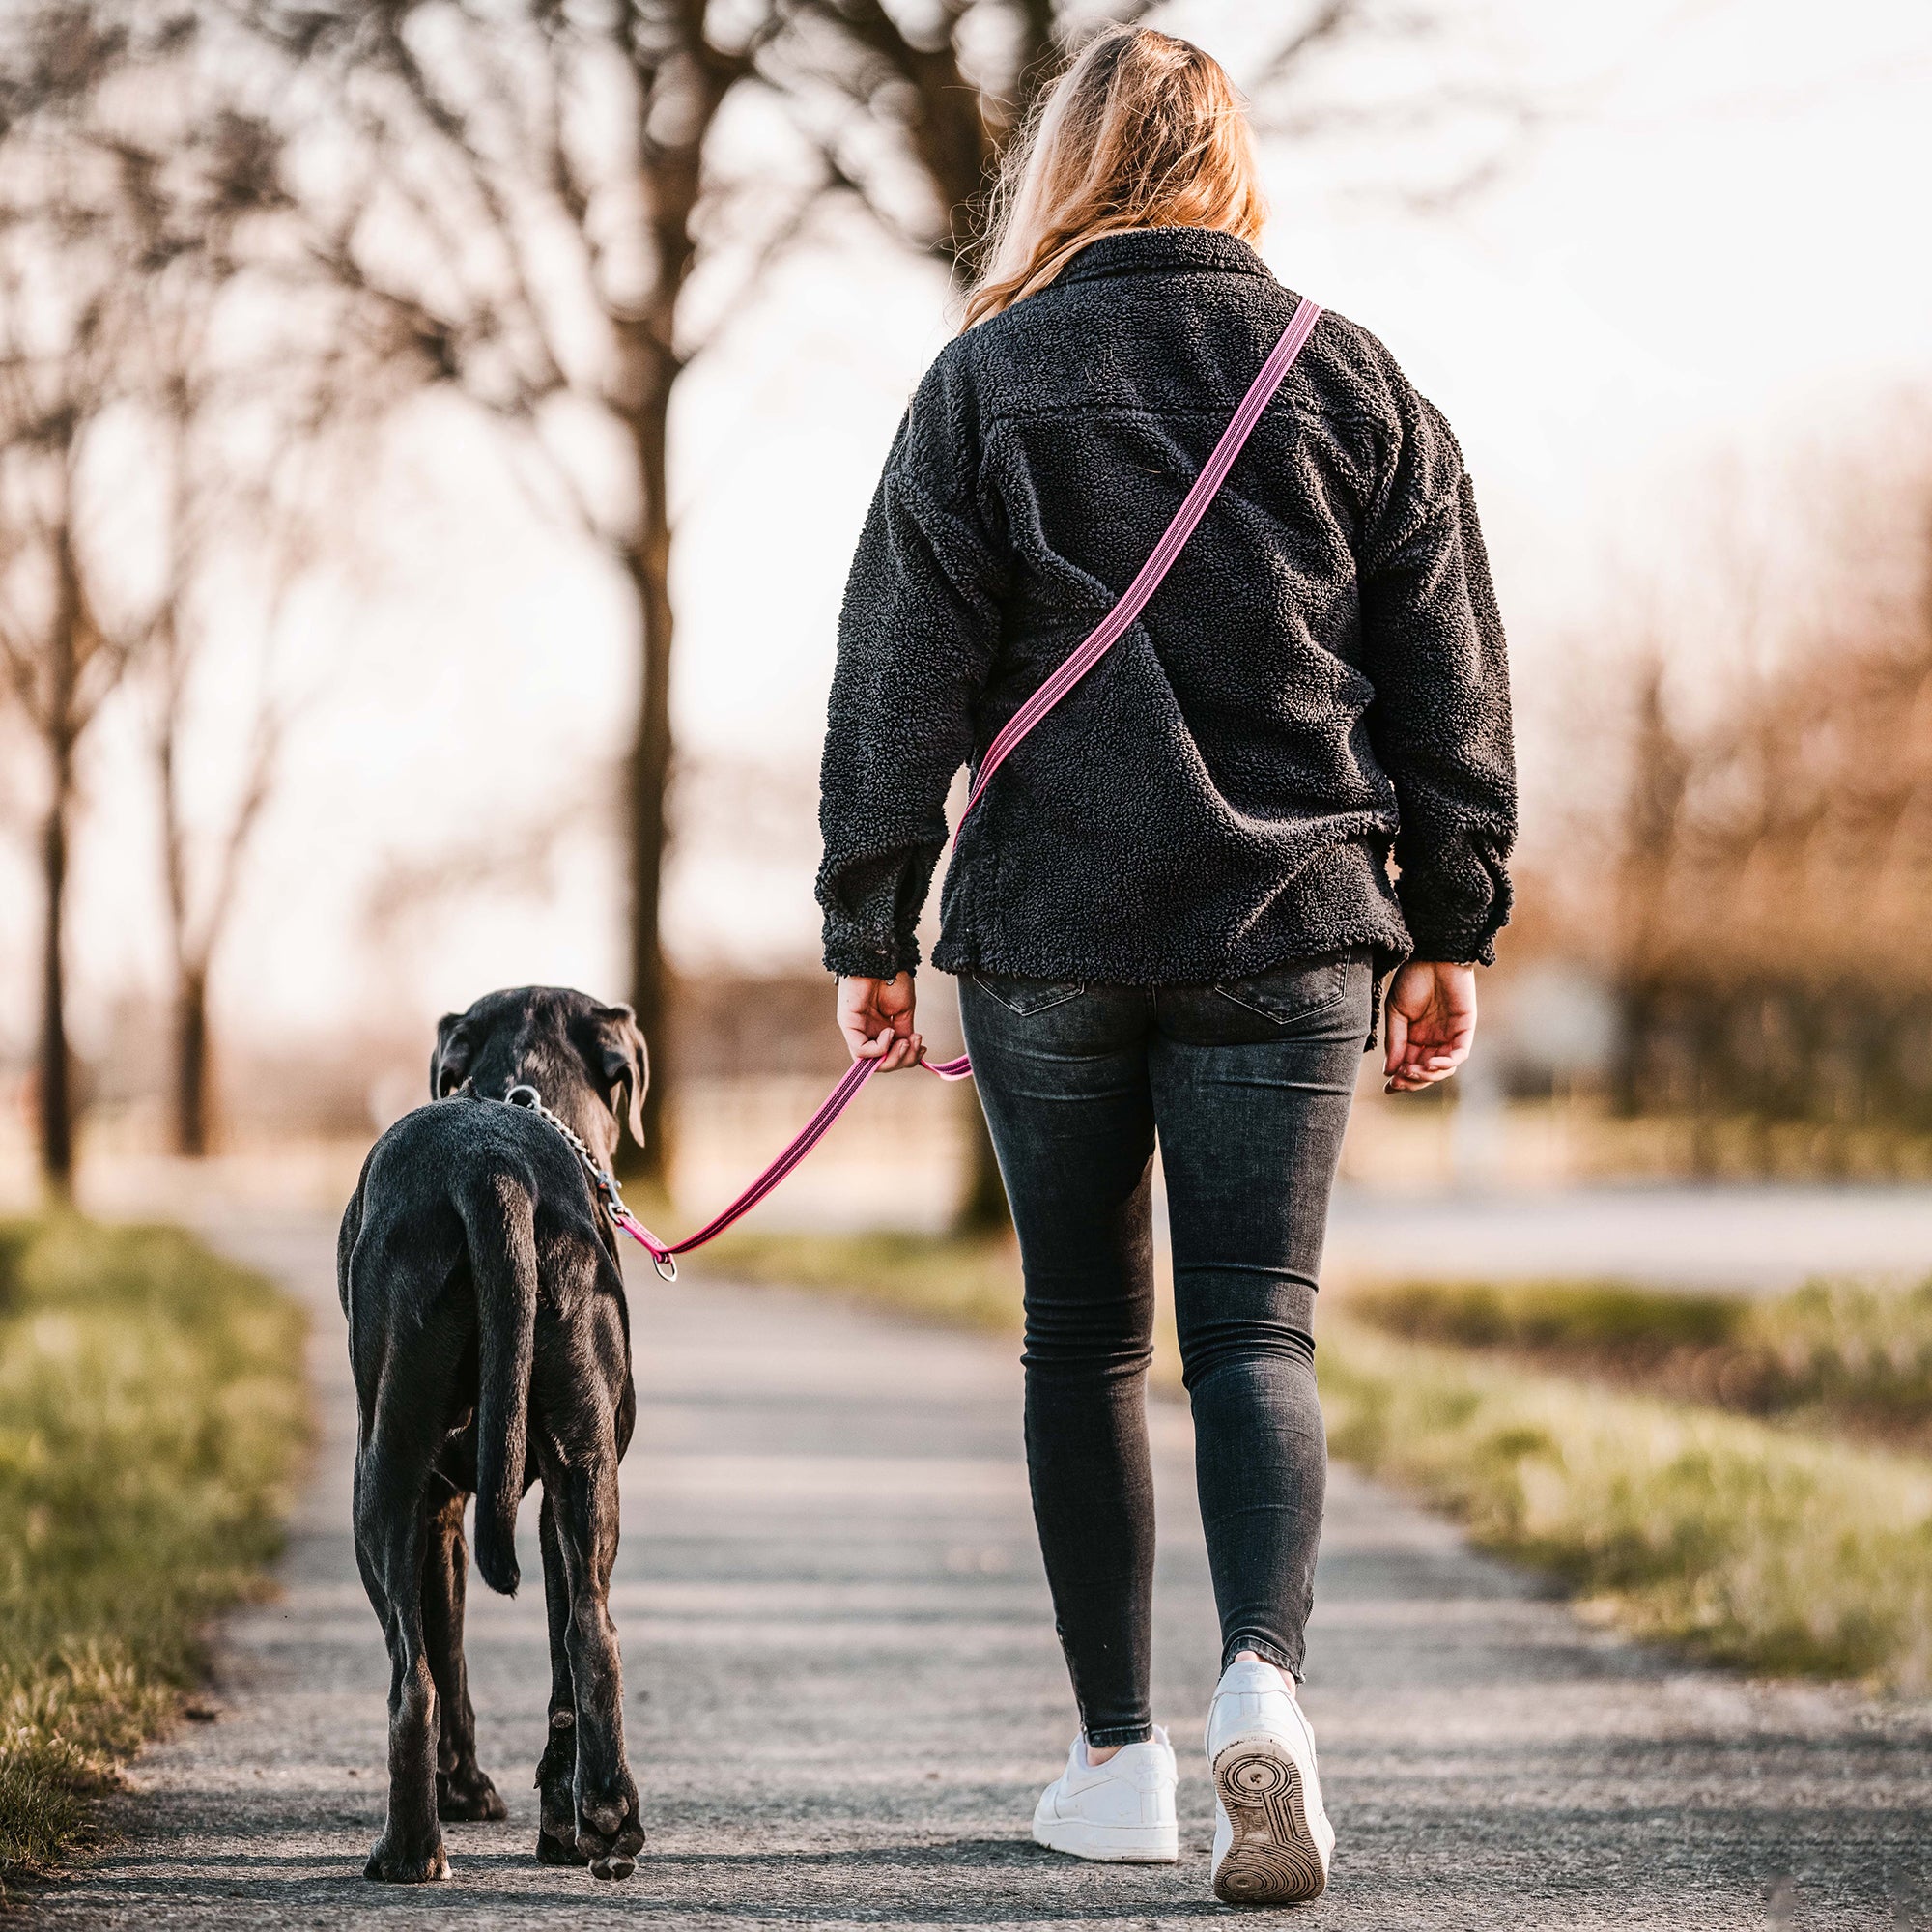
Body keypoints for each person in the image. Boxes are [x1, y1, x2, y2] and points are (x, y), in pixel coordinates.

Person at [816, 23, 1514, 1908]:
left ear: (1062, 169)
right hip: (1290, 932)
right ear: (1230, 163)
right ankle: (1263, 1695)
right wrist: (1451, 919)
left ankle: (1115, 1763)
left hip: (1045, 937)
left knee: (1080, 1341)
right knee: (1254, 1332)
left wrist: (868, 927)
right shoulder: (1351, 383)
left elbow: (896, 677)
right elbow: (1449, 684)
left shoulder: (978, 388)